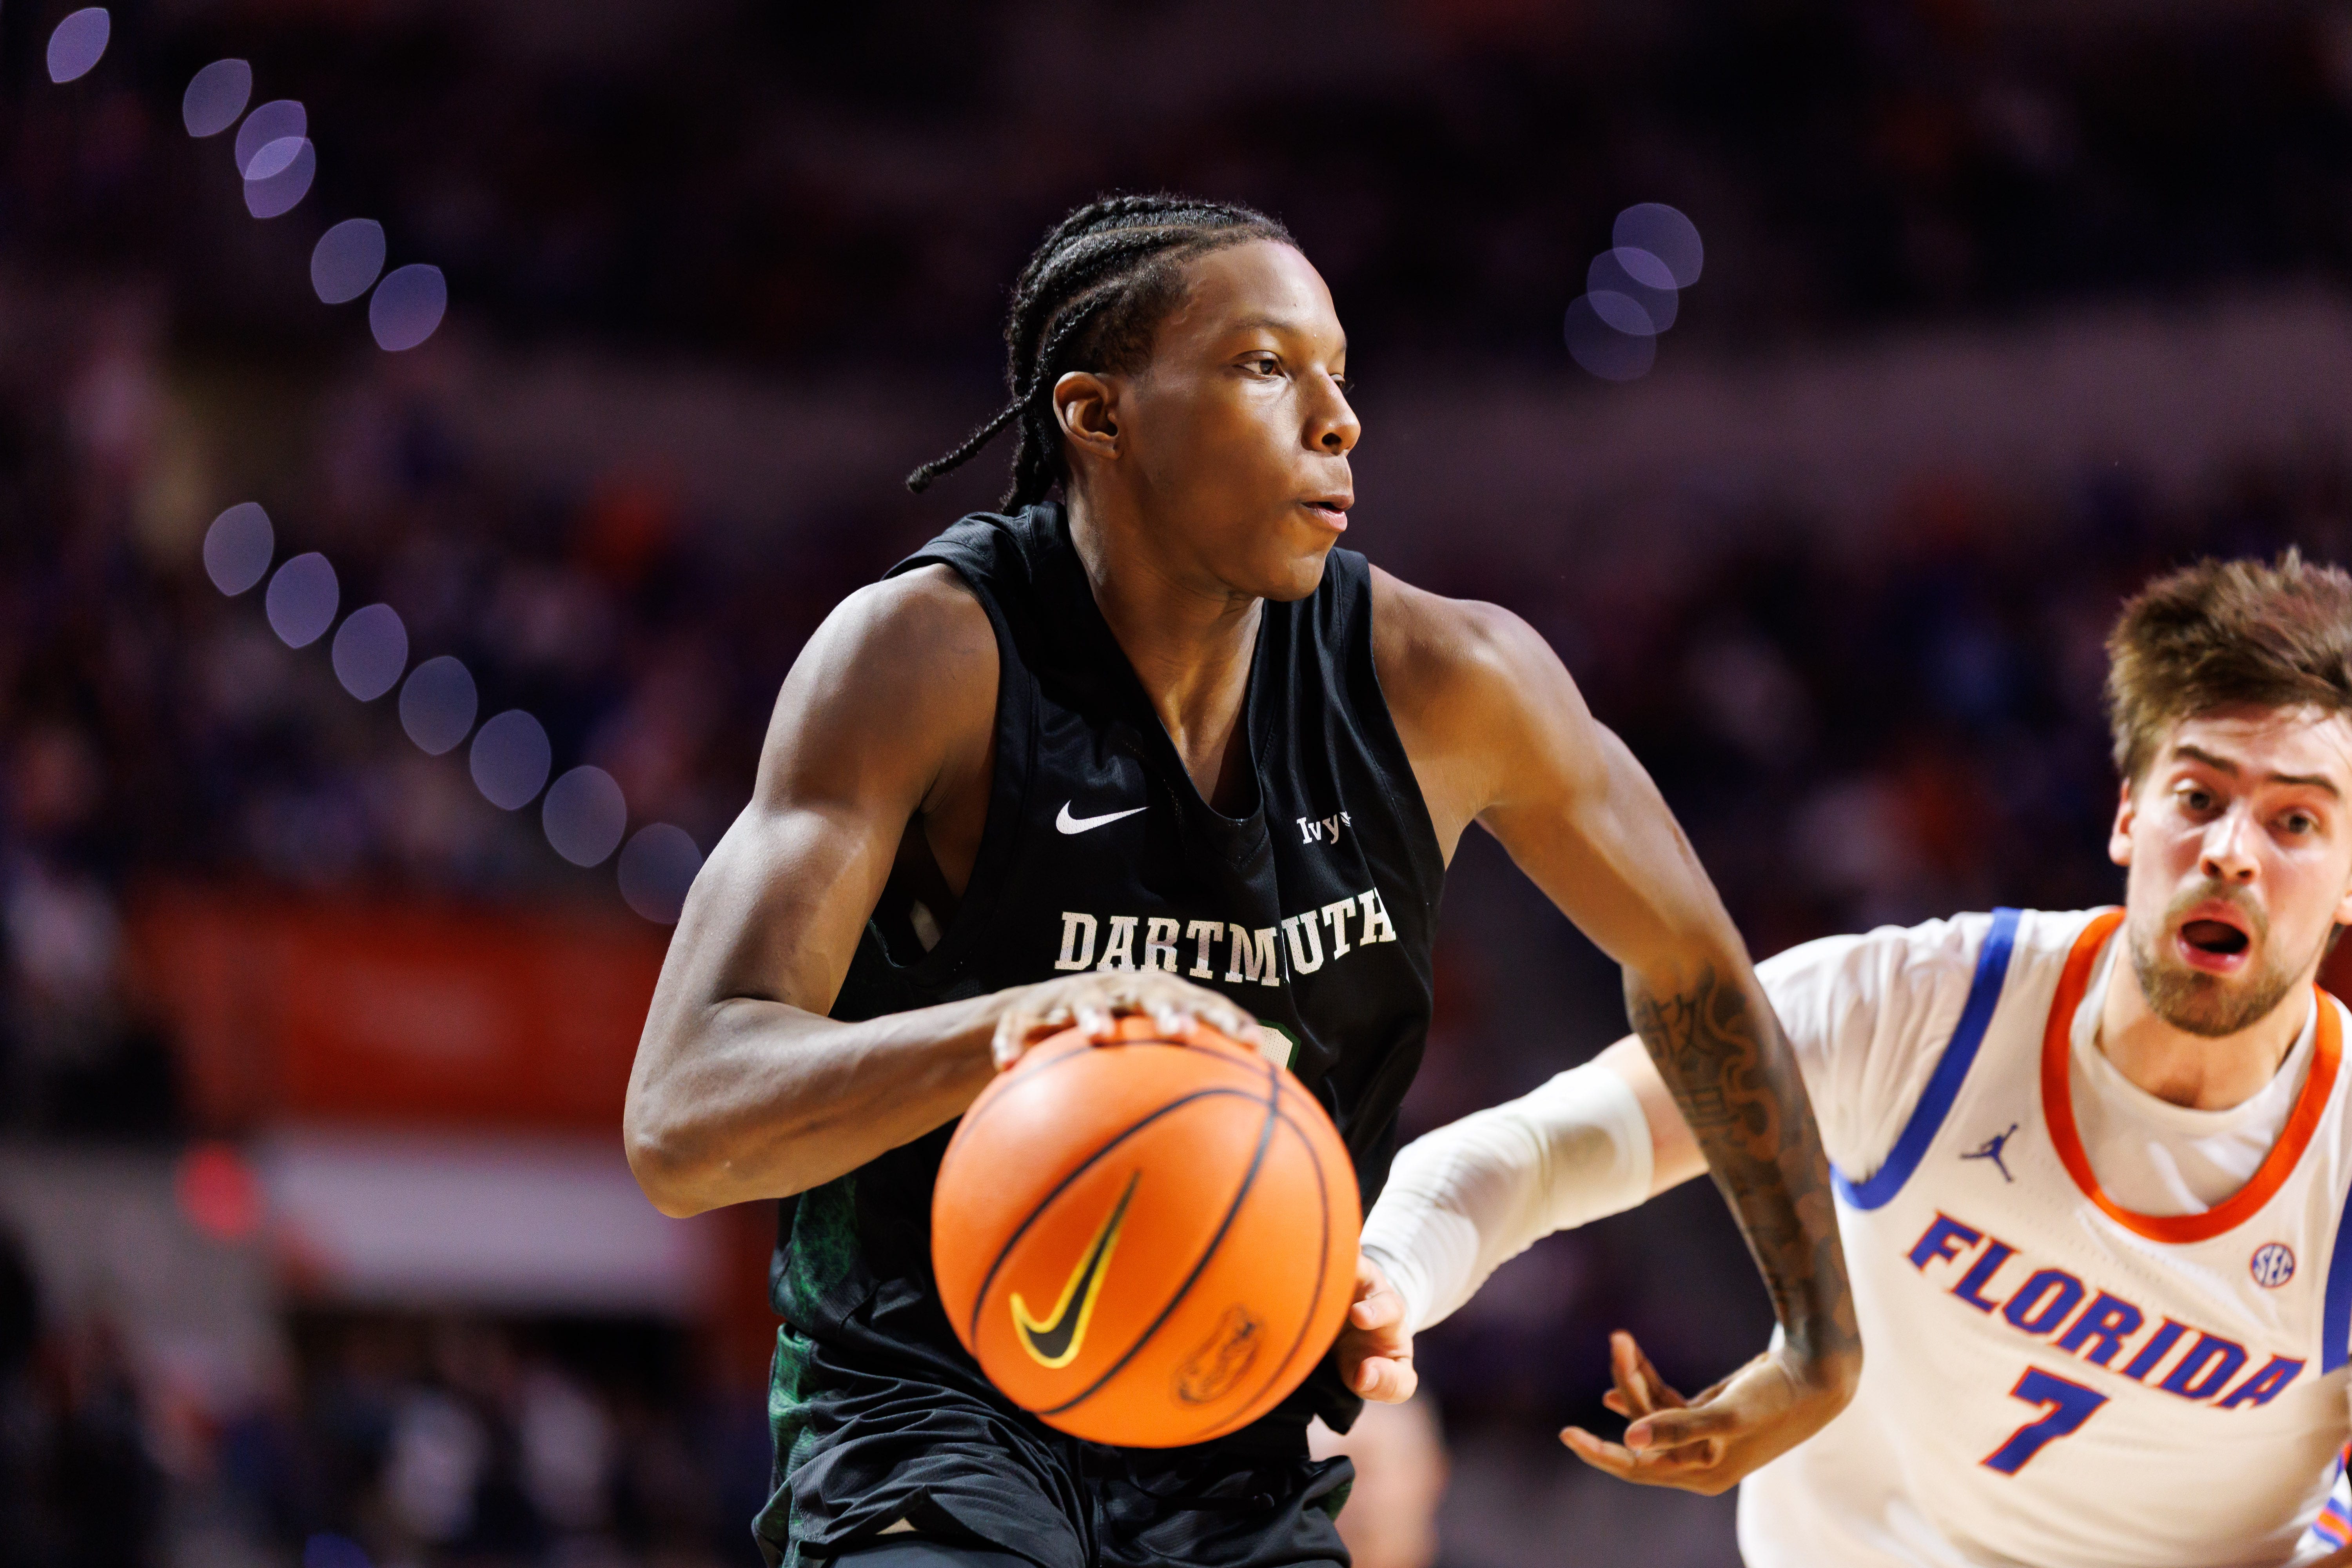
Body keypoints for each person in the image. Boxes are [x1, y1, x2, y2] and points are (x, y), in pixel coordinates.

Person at [623, 193, 1857, 1568]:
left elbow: (1691, 963)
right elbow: (684, 1120)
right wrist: (1023, 1028)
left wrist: (1819, 1337)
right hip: (923, 1411)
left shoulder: (1452, 682)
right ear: (1099, 416)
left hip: (1235, 1417)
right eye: (1267, 367)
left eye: (1339, 372)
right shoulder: (924, 660)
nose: (1339, 420)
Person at [1350, 552, 2352, 1566]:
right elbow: (1543, 1148)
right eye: (2198, 797)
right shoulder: (1926, 1008)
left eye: (2296, 821)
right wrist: (1388, 1278)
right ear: (2131, 816)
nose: (2232, 850)